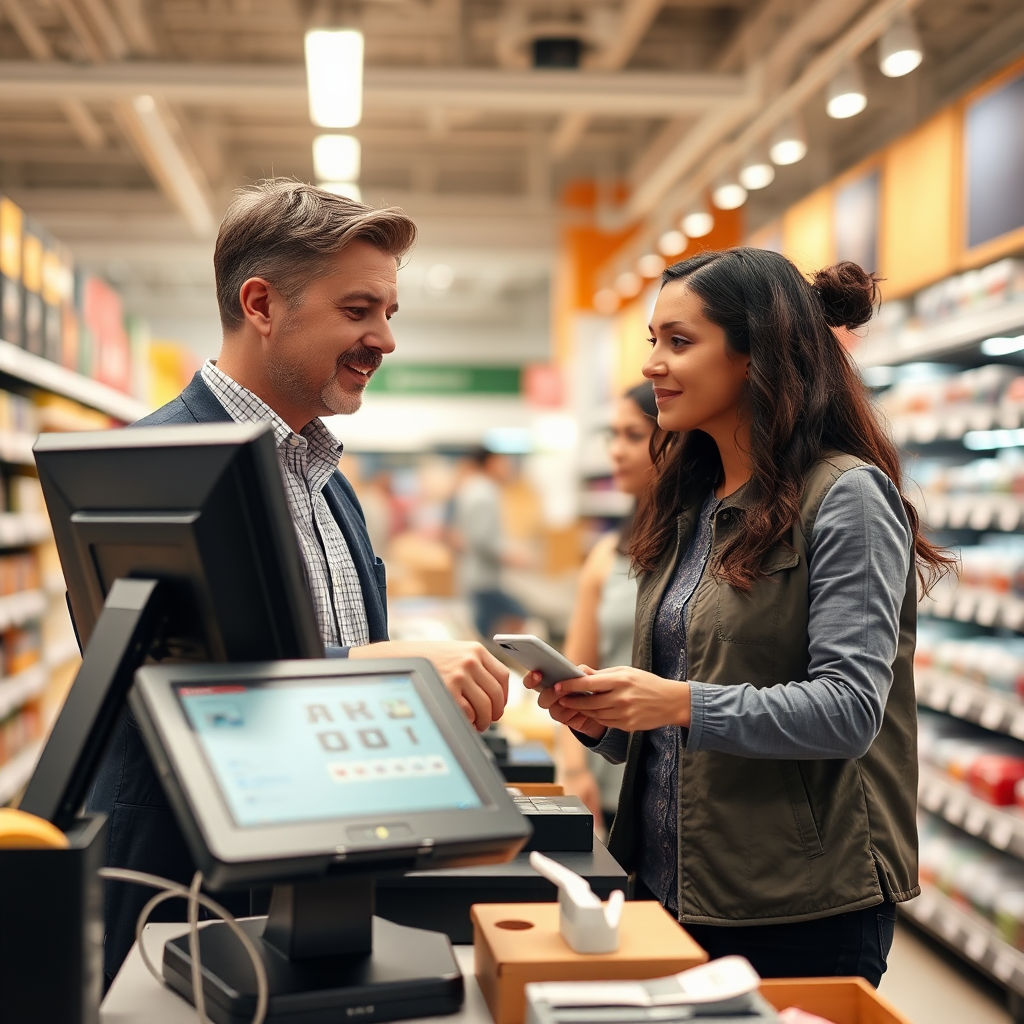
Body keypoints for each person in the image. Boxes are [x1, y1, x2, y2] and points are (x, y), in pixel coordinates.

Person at [88, 179, 510, 982]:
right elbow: (150, 679)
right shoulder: (150, 466)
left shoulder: (328, 480)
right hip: (182, 900)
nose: (384, 339)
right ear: (261, 304)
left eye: (390, 314)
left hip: (318, 891)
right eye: (359, 311)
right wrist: (389, 669)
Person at [528, 248, 954, 986]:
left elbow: (851, 710)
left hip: (798, 905)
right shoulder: (689, 502)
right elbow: (683, 715)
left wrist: (675, 702)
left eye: (680, 342)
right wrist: (601, 715)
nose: (653, 365)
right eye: (652, 341)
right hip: (667, 888)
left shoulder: (845, 497)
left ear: (756, 356)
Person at [558, 381, 657, 832]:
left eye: (633, 436)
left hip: (679, 784)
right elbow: (573, 672)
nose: (616, 451)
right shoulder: (608, 554)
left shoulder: (710, 550)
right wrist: (574, 770)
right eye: (612, 436)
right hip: (610, 773)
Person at [452, 447, 529, 640]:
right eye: (504, 461)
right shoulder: (484, 493)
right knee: (517, 615)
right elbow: (482, 539)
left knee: (484, 626)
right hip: (483, 578)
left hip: (476, 575)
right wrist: (510, 555)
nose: (508, 467)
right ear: (491, 463)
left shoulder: (472, 488)